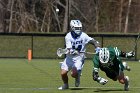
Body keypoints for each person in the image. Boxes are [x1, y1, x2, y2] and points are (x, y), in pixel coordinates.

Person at [58, 20, 101, 90]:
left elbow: (94, 41)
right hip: (69, 58)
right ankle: (66, 85)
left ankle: (77, 76)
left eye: (79, 28)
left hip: (79, 58)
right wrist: (70, 51)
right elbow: (69, 49)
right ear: (72, 28)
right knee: (63, 74)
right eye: (76, 28)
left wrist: (97, 47)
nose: (78, 30)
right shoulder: (68, 36)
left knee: (73, 74)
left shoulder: (84, 35)